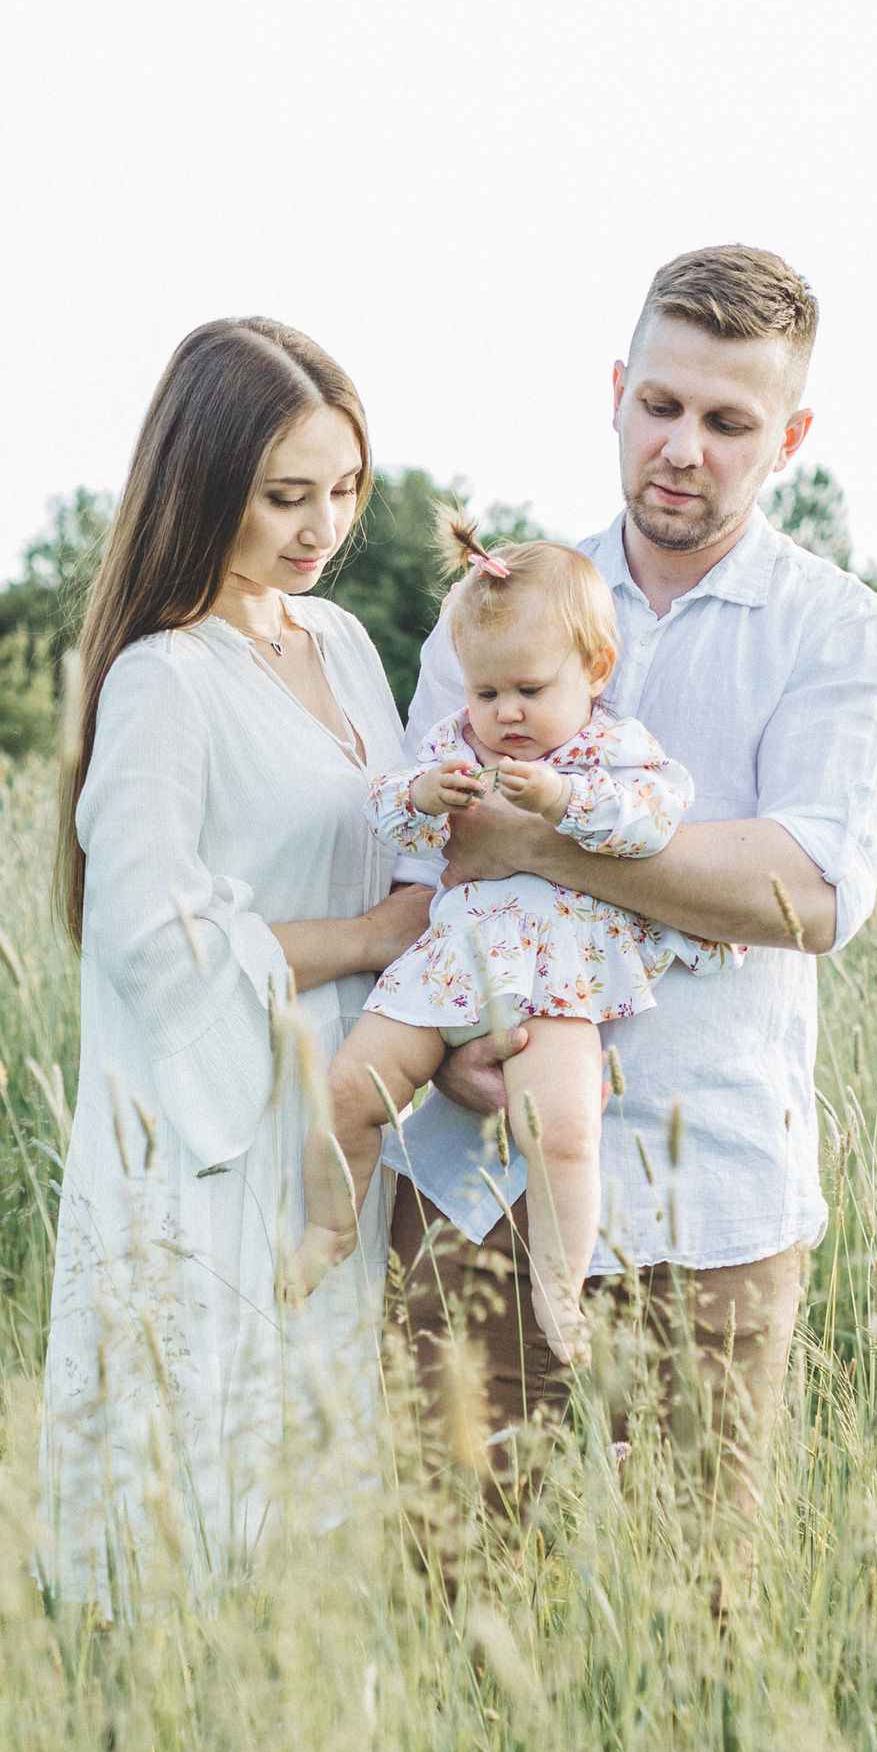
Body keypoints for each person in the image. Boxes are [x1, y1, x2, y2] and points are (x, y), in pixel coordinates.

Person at [387, 243, 877, 1550]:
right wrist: (448, 1056)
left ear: (788, 438)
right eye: (661, 405)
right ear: (617, 392)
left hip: (713, 1204)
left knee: (695, 1616)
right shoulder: (498, 605)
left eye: (728, 422)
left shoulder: (841, 634)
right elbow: (417, 868)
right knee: (448, 1592)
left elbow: (805, 891)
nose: (683, 448)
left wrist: (543, 846)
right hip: (478, 1185)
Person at [40, 318, 430, 1608]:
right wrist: (369, 938)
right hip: (217, 1129)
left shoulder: (345, 645)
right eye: (284, 496)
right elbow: (151, 936)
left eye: (345, 489)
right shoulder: (163, 679)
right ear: (204, 482)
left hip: (344, 1126)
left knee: (322, 1487)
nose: (322, 527)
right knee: (200, 1477)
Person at [286, 517, 735, 1361]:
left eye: (529, 689)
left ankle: (559, 1288)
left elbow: (652, 823)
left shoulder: (611, 750)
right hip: (450, 964)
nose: (507, 713)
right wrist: (424, 796)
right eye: (486, 693)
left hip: (558, 975)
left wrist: (562, 802)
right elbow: (386, 816)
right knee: (350, 1089)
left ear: (595, 670)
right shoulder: (456, 746)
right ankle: (329, 1227)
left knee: (563, 1131)